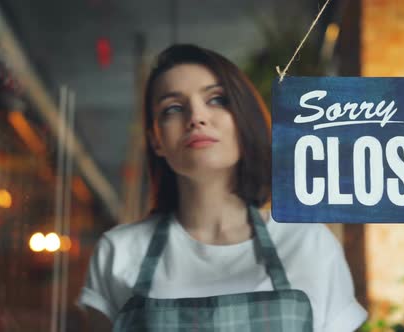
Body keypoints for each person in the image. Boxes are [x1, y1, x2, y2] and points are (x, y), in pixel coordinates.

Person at [78, 44, 367, 331]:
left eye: (216, 99)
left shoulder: (308, 243)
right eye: (173, 108)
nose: (196, 117)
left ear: (243, 120)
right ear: (156, 141)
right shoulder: (119, 253)